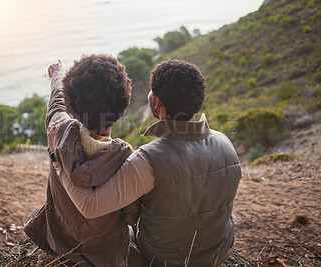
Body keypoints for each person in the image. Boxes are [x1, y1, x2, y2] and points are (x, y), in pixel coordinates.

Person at [54, 59, 242, 266]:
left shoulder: (149, 159)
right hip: (219, 252)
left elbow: (90, 206)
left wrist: (59, 166)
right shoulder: (225, 142)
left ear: (157, 102)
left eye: (151, 92)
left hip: (162, 259)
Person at [24, 54, 146, 266]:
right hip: (104, 256)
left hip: (59, 243)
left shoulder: (58, 132)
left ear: (73, 103)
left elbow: (56, 105)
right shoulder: (126, 161)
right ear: (122, 105)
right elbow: (131, 216)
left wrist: (57, 77)